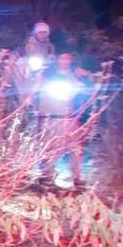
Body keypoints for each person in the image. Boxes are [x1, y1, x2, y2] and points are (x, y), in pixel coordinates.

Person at [34, 52, 89, 188]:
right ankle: (47, 175)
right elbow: (41, 93)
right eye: (63, 57)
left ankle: (77, 177)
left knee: (76, 147)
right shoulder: (49, 75)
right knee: (53, 147)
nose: (65, 61)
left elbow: (84, 89)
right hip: (54, 117)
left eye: (68, 58)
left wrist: (85, 81)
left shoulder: (74, 74)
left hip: (70, 116)